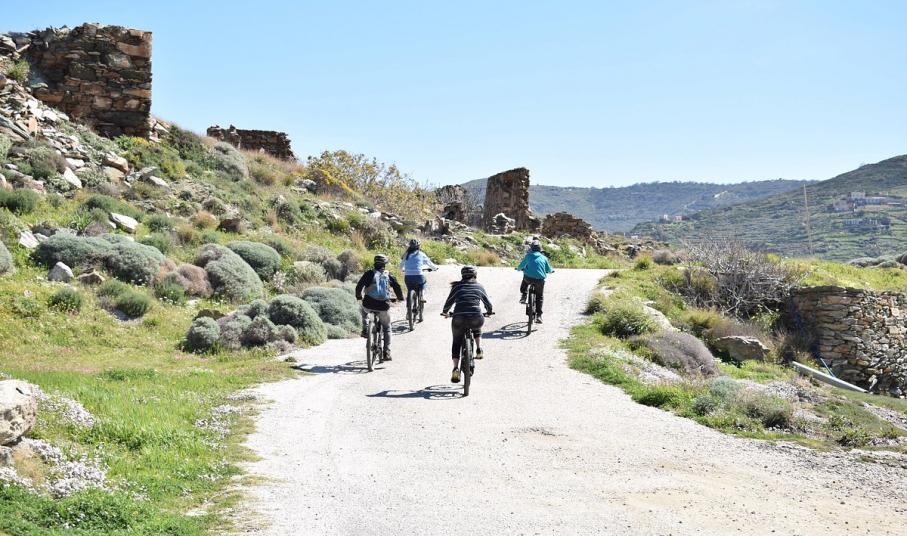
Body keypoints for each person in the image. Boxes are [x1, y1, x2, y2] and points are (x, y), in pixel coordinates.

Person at [441, 265, 493, 384]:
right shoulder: (479, 286)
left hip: (458, 317)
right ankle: (478, 349)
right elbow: (487, 303)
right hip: (476, 318)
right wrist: (489, 311)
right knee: (476, 326)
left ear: (462, 276)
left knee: (456, 341)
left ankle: (455, 368)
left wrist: (445, 312)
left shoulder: (457, 287)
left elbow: (449, 301)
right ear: (475, 275)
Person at [355, 254, 404, 361]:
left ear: (375, 263)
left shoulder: (369, 273)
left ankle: (365, 328)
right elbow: (397, 286)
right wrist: (400, 297)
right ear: (384, 264)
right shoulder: (388, 274)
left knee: (363, 310)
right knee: (387, 327)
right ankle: (386, 352)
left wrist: (359, 296)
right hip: (383, 305)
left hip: (368, 304)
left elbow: (359, 286)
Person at [516, 242, 554, 323]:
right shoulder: (544, 258)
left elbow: (521, 266)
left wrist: (518, 269)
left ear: (531, 248)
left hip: (528, 278)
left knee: (525, 278)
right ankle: (539, 316)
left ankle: (524, 295)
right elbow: (549, 269)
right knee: (539, 296)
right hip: (539, 280)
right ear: (540, 249)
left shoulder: (528, 256)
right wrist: (551, 271)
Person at [399, 239, 439, 307]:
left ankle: (409, 306)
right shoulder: (421, 254)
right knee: (423, 283)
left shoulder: (406, 254)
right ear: (418, 246)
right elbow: (429, 263)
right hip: (419, 275)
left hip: (408, 276)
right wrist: (435, 268)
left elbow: (401, 265)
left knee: (410, 288)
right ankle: (422, 296)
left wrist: (402, 269)